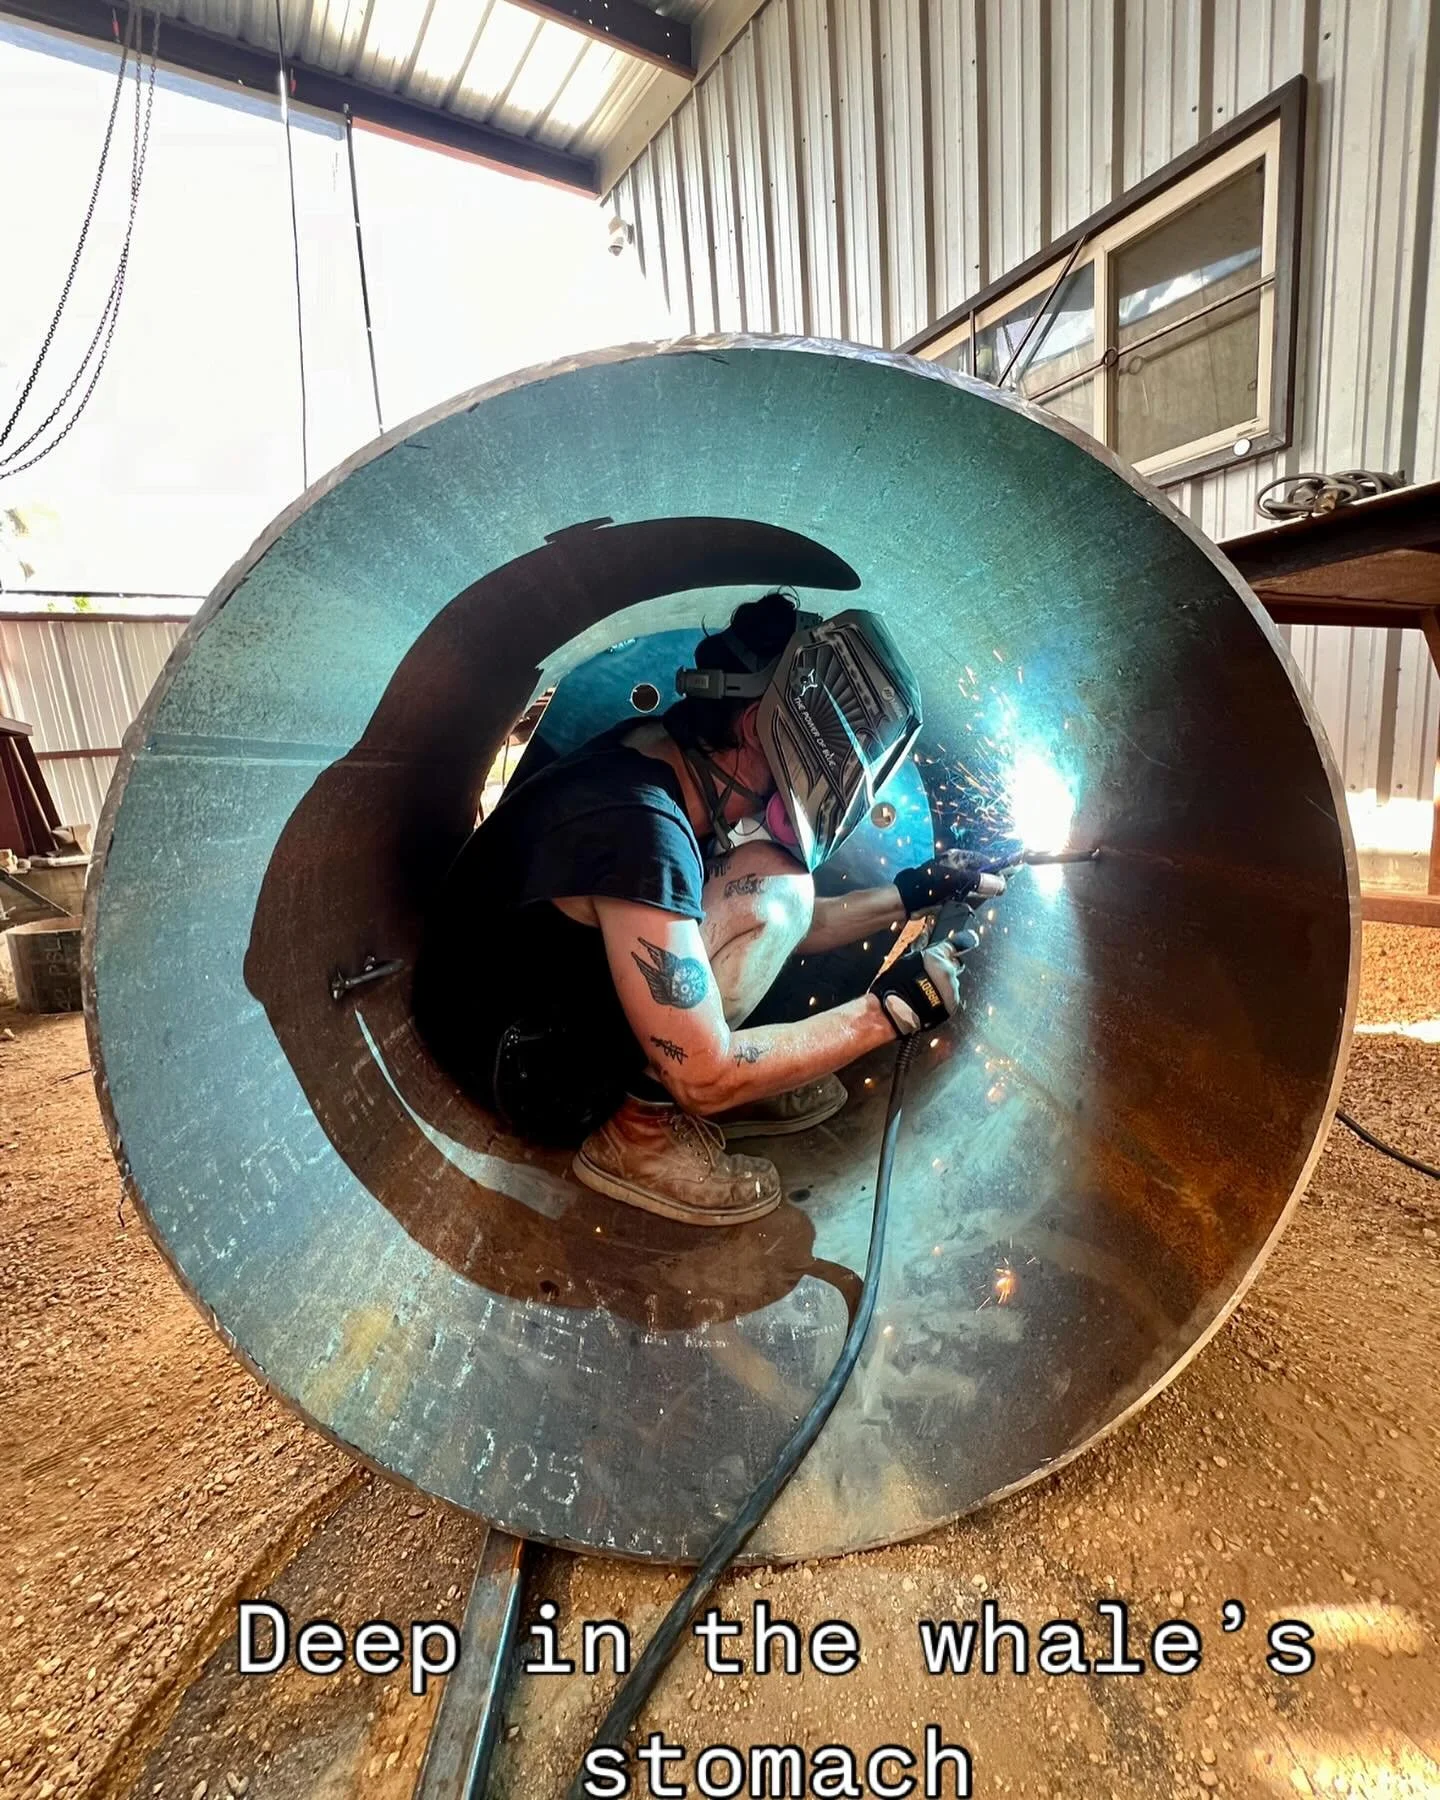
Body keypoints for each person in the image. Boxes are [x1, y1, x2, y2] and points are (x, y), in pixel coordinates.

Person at [413, 593, 1000, 1227]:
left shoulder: (660, 754)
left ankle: (733, 1071)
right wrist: (887, 1014)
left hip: (520, 993)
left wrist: (915, 893)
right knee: (775, 899)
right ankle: (637, 1136)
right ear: (755, 725)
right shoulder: (644, 830)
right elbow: (704, 1075)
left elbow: (788, 922)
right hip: (514, 1060)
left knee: (779, 885)